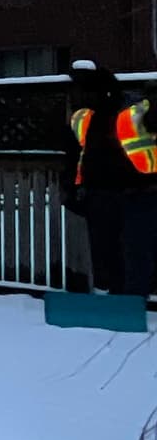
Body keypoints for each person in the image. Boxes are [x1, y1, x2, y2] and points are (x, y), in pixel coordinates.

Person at [68, 60, 157, 298]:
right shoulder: (83, 118)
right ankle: (119, 301)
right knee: (109, 253)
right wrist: (73, 189)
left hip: (140, 193)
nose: (78, 97)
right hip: (100, 194)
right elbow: (78, 154)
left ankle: (133, 303)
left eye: (83, 91)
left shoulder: (137, 110)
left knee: (137, 252)